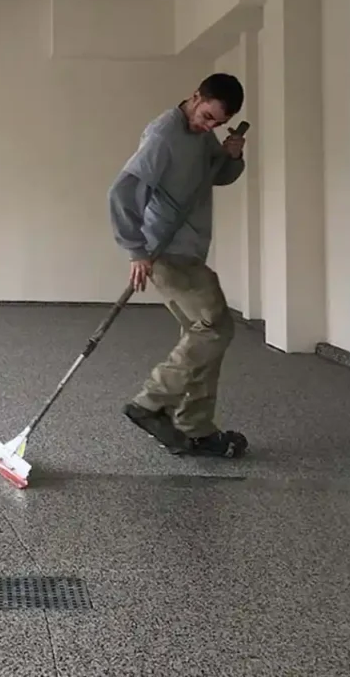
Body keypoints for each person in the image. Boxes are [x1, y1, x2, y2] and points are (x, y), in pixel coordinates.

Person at [107, 73, 249, 458]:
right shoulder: (163, 136)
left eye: (217, 123)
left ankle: (196, 429)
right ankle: (150, 403)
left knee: (205, 337)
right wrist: (136, 249)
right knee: (217, 326)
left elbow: (212, 178)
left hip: (187, 251)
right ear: (194, 95)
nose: (209, 126)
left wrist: (231, 157)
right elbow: (122, 192)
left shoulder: (201, 136)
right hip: (166, 252)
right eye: (206, 116)